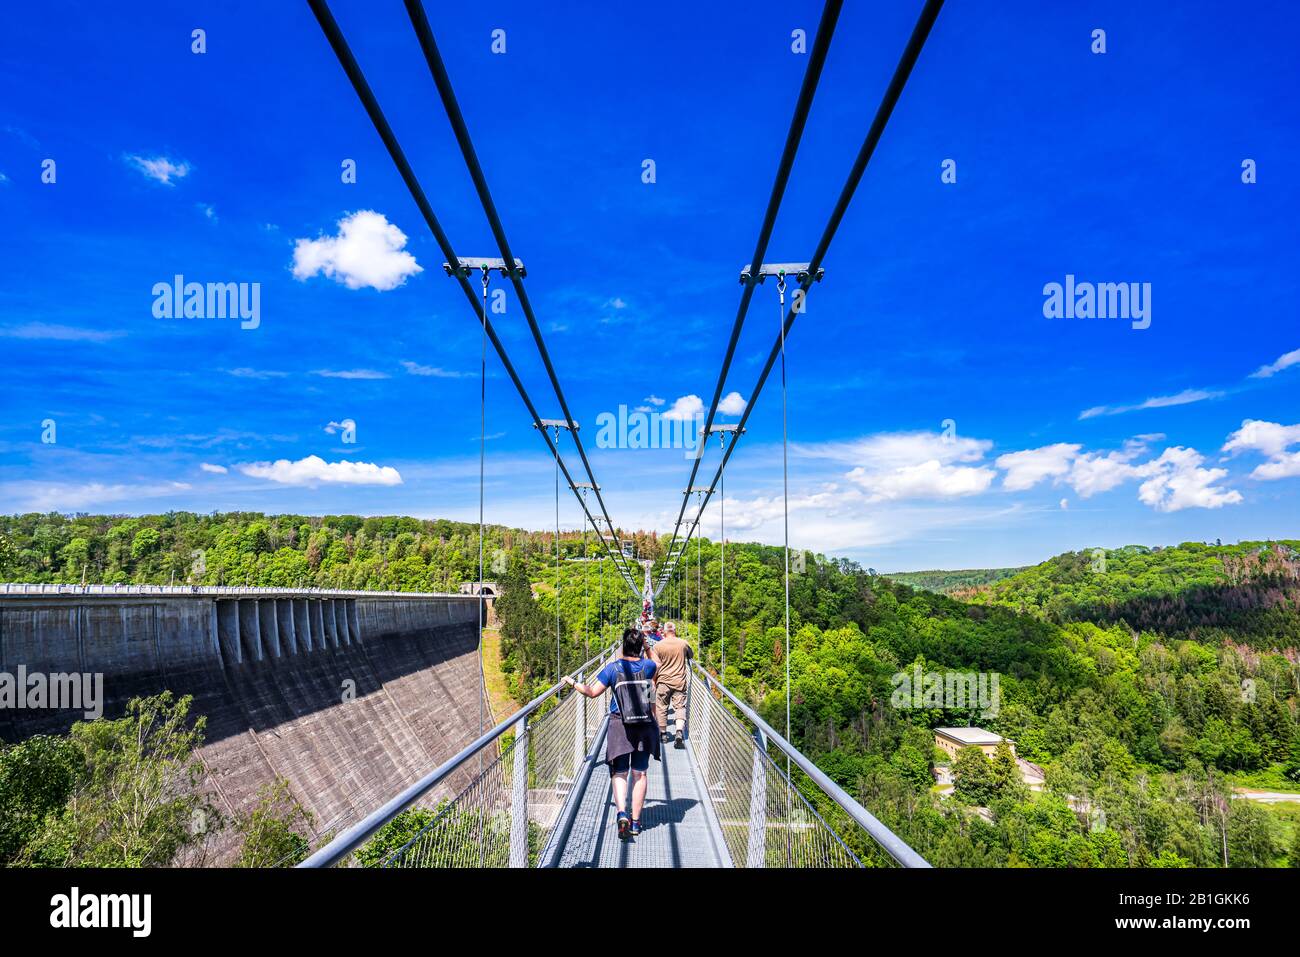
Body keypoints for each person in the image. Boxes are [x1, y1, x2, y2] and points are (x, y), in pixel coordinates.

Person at [562, 627, 660, 839]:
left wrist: (572, 683)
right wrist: (647, 648)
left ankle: (622, 814)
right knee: (640, 773)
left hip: (620, 726)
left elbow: (592, 692)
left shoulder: (613, 669)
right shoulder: (649, 666)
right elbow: (657, 668)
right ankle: (635, 823)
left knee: (620, 773)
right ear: (640, 646)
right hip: (644, 725)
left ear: (623, 646)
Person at [649, 622, 692, 749]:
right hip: (679, 681)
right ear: (674, 630)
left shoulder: (657, 646)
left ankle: (663, 735)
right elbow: (691, 655)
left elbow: (655, 666)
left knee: (661, 707)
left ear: (664, 631)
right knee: (680, 707)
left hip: (663, 681)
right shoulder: (683, 643)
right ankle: (679, 732)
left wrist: (654, 681)